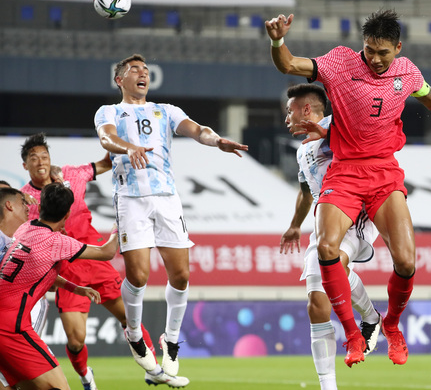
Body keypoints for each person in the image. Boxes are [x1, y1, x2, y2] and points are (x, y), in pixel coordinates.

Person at [265, 9, 431, 366]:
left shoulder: (408, 72)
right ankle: (353, 334)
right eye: (370, 50)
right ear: (362, 46)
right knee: (325, 248)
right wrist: (277, 40)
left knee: (406, 260)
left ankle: (392, 326)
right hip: (346, 172)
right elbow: (288, 64)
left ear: (398, 48)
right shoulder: (339, 63)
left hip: (384, 173)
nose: (376, 59)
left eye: (383, 52)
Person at [94, 53, 248, 382]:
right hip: (131, 199)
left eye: (145, 71)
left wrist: (215, 140)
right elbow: (106, 137)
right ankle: (134, 332)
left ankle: (172, 340)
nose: (142, 74)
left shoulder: (166, 111)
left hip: (166, 199)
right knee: (138, 275)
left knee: (180, 275)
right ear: (119, 79)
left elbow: (197, 130)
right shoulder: (109, 111)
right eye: (134, 70)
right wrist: (128, 148)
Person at [20, 132, 159, 390]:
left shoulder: (72, 174)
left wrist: (124, 144)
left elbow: (105, 163)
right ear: (25, 165)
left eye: (44, 156)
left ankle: (154, 368)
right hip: (66, 268)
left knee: (130, 319)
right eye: (33, 158)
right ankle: (86, 377)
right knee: (75, 341)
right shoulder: (23, 199)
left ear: (50, 160)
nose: (40, 162)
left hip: (94, 259)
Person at [280, 84, 381, 384]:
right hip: (323, 223)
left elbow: (364, 138)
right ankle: (328, 385)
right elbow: (305, 193)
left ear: (306, 110)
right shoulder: (302, 151)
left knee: (334, 263)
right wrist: (296, 224)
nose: (286, 119)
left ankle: (371, 318)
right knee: (316, 303)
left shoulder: (338, 126)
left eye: (290, 111)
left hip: (355, 214)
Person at [0, 183, 118, 390]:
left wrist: (76, 288)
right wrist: (120, 226)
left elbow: (36, 269)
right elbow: (106, 252)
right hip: (11, 326)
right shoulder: (56, 242)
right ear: (68, 213)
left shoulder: (25, 230)